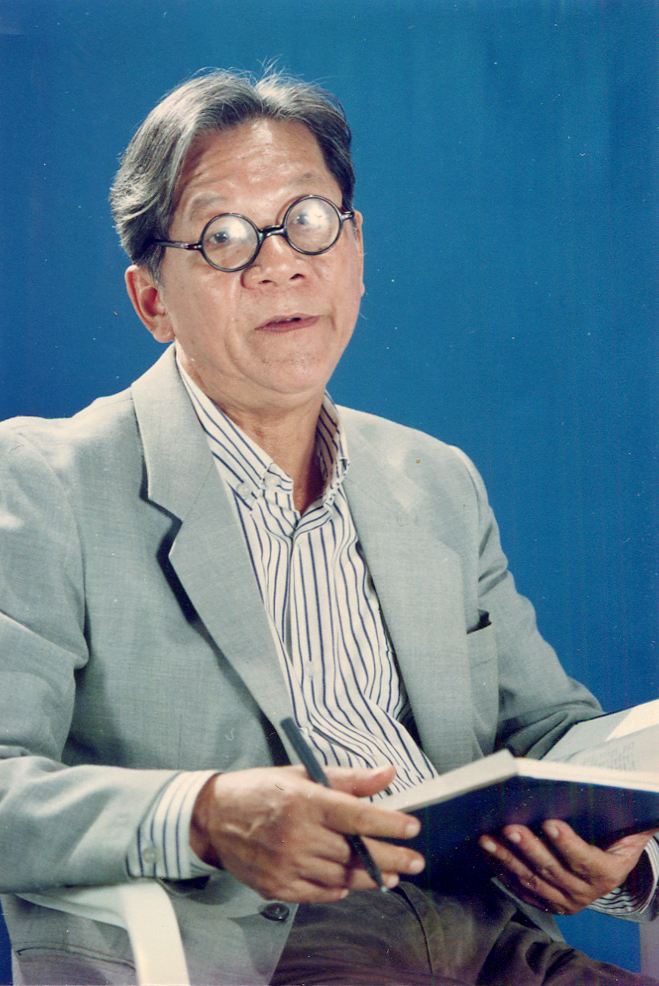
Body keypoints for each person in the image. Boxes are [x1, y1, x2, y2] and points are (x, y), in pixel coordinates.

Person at [0, 69, 657, 986]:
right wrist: (205, 816)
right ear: (152, 300)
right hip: (257, 952)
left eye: (307, 219)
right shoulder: (43, 480)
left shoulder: (435, 479)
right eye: (224, 237)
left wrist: (621, 847)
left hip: (488, 937)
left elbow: (547, 730)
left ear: (354, 247)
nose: (280, 264)